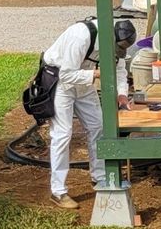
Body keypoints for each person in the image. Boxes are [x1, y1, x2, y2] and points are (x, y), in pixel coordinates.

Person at [43, 18, 135, 209]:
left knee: (98, 127)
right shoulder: (81, 35)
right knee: (62, 134)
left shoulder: (114, 45)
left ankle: (100, 177)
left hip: (84, 83)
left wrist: (122, 95)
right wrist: (95, 75)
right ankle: (58, 191)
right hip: (62, 83)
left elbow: (119, 69)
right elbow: (66, 74)